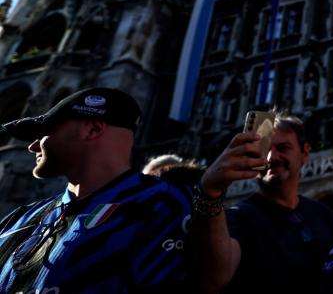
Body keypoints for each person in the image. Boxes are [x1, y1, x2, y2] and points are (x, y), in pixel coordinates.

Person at [0, 87, 192, 293]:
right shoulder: (20, 218)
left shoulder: (163, 204)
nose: (32, 146)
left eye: (44, 132)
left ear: (92, 130)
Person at [189, 111, 333, 293]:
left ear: (305, 153)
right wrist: (210, 191)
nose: (271, 157)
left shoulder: (321, 214)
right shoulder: (239, 217)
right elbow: (214, 278)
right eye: (265, 149)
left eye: (283, 148)